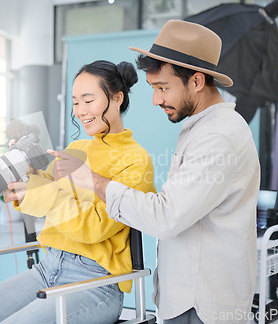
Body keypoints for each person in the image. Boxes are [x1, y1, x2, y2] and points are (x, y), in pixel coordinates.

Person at [49, 20, 261, 324]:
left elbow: (164, 217)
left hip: (201, 304)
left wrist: (92, 181)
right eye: (153, 88)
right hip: (186, 295)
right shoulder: (201, 128)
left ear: (197, 81)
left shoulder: (218, 137)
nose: (156, 99)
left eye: (163, 88)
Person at [0, 60, 156, 324]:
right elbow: (44, 190)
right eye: (75, 102)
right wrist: (23, 172)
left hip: (96, 283)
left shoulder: (136, 160)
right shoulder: (77, 148)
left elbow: (95, 227)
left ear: (117, 98)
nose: (81, 111)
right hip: (47, 268)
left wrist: (39, 194)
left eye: (88, 100)